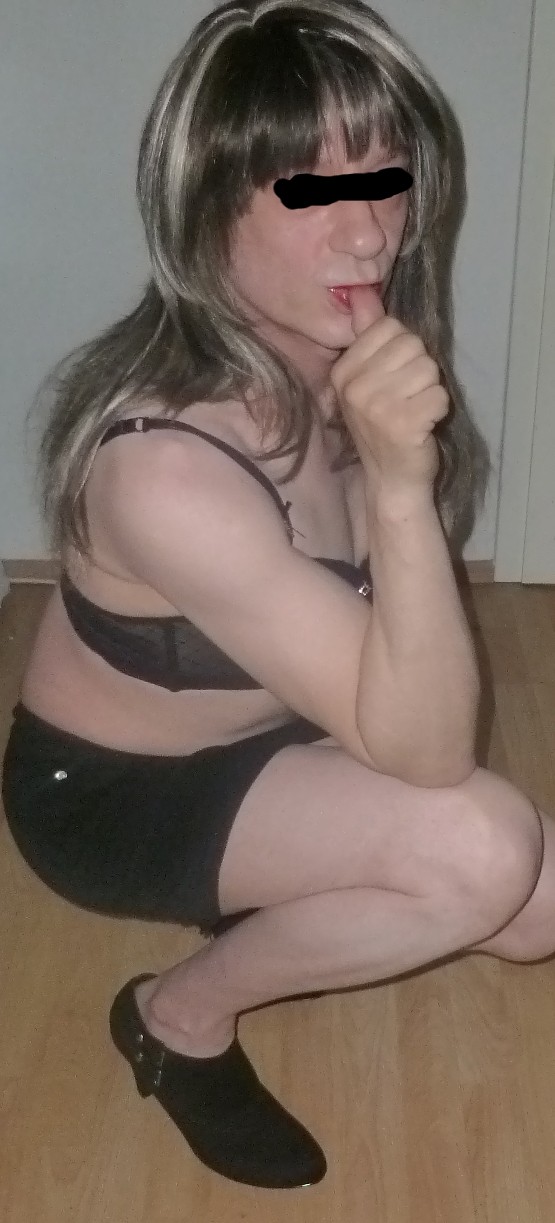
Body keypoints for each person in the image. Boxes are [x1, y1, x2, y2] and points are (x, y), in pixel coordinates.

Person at [1, 0, 551, 1193]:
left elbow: (405, 670)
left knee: (535, 907)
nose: (367, 232)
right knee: (482, 853)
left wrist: (394, 475)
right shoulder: (166, 470)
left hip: (288, 720)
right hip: (122, 795)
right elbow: (431, 748)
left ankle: (265, 886)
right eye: (308, 190)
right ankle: (176, 1016)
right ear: (206, 209)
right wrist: (398, 488)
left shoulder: (347, 355)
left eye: (386, 179)